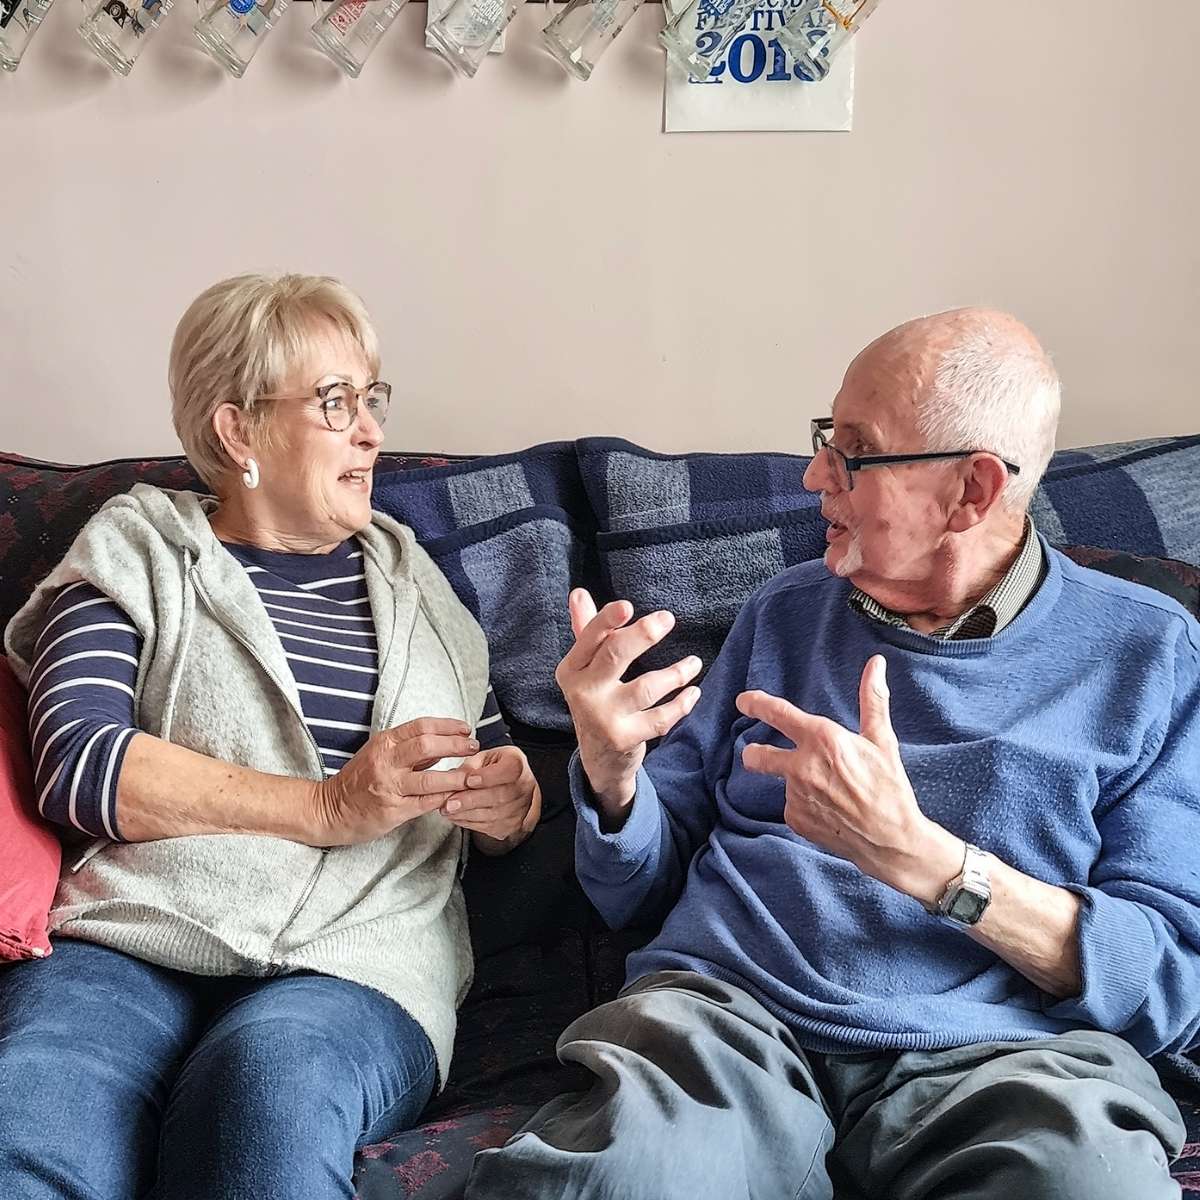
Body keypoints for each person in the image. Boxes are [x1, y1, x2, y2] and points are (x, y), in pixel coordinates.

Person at [465, 308, 1200, 1200]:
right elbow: (639, 893)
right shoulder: (787, 611)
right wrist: (614, 777)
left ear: (971, 491)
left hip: (1006, 1056)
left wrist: (929, 864)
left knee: (1090, 1184)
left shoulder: (1150, 653)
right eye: (826, 436)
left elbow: (1169, 984)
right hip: (731, 1023)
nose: (815, 474)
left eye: (853, 450)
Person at [0, 273, 540, 1200]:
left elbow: (488, 798)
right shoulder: (136, 546)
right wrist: (325, 807)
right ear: (237, 430)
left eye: (373, 399)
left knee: (265, 1093)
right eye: (336, 403)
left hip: (359, 962)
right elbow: (76, 763)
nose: (372, 430)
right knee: (35, 1118)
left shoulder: (424, 590)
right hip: (134, 939)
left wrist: (509, 803)